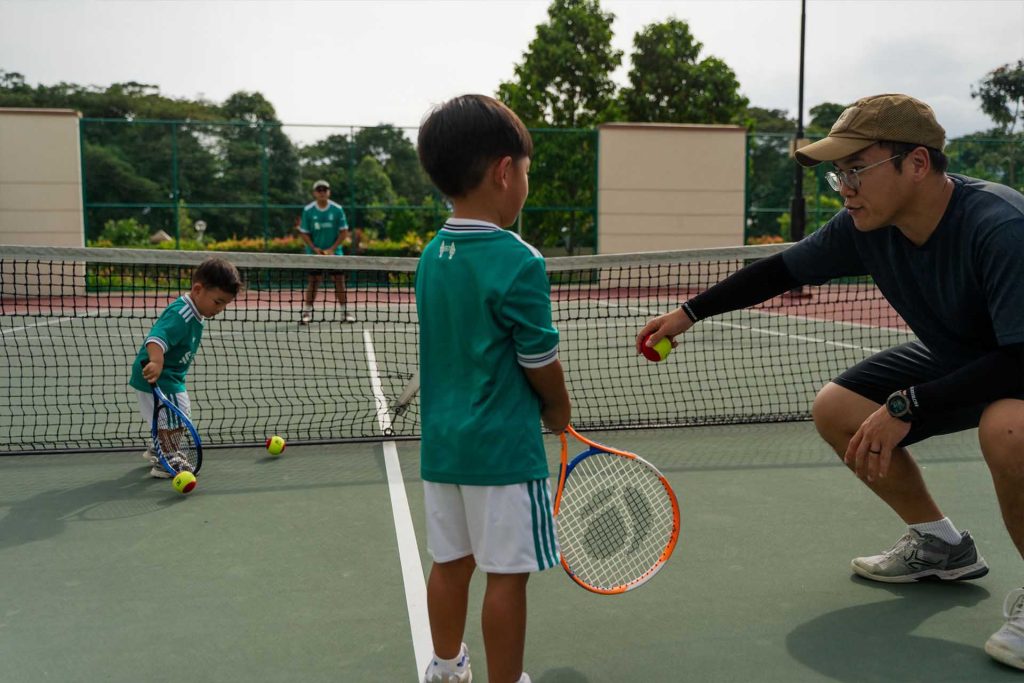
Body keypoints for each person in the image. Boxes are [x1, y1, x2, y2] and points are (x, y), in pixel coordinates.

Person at [636, 93, 1024, 670]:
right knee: (837, 408)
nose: (843, 185)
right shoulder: (865, 226)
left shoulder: (1000, 227)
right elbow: (782, 269)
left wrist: (909, 404)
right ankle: (941, 545)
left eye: (856, 168)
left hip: (1017, 364)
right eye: (838, 173)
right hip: (966, 360)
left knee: (1007, 428)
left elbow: (1018, 360)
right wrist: (689, 313)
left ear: (917, 163)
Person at [415, 94, 571, 683]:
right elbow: (538, 356)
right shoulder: (520, 260)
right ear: (505, 171)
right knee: (507, 577)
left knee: (450, 564)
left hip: (444, 449)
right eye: (526, 172)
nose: (526, 183)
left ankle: (445, 667)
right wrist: (558, 407)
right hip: (503, 452)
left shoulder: (431, 255)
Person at [128, 257, 242, 477]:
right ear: (198, 289)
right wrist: (157, 362)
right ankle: (166, 460)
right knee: (178, 415)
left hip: (170, 376)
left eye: (225, 304)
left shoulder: (194, 311)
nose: (221, 309)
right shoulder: (182, 314)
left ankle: (159, 448)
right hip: (160, 376)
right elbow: (156, 338)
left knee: (168, 417)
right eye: (218, 302)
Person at [298, 179, 353, 324]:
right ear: (315, 193)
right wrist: (314, 248)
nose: (322, 192)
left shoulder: (337, 209)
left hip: (335, 254)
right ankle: (307, 313)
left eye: (325, 190)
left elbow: (344, 232)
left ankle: (344, 313)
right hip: (315, 255)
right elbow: (304, 232)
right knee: (313, 282)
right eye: (319, 190)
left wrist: (332, 249)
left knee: (339, 282)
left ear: (329, 192)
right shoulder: (308, 211)